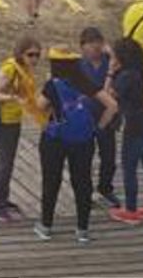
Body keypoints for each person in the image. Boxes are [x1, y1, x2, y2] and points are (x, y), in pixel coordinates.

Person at [33, 47, 118, 243]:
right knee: (82, 182)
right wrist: (99, 127)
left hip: (55, 138)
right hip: (83, 139)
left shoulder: (52, 85)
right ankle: (82, 230)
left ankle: (45, 226)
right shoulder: (86, 82)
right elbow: (112, 106)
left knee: (51, 181)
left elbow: (39, 106)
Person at [108, 38, 143, 225]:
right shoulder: (141, 71)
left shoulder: (126, 76)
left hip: (135, 127)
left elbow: (109, 95)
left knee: (129, 168)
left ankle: (131, 210)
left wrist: (110, 72)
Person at [0, 36, 44, 222]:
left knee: (8, 162)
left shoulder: (24, 69)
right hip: (5, 121)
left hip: (14, 119)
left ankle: (1, 199)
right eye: (31, 55)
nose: (34, 59)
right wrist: (13, 98)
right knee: (4, 162)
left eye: (37, 55)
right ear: (21, 53)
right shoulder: (10, 68)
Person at [74, 27, 122, 208]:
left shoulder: (112, 62)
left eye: (98, 46)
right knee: (84, 157)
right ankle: (85, 193)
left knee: (108, 156)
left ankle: (105, 188)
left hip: (106, 115)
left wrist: (111, 53)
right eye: (91, 47)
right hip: (85, 116)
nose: (95, 50)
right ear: (83, 47)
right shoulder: (77, 65)